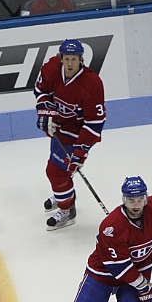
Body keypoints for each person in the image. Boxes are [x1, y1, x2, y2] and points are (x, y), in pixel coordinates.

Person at [34, 39, 107, 231]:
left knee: (55, 171)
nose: (69, 63)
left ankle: (67, 210)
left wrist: (81, 151)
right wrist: (46, 114)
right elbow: (40, 90)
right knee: (60, 167)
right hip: (59, 126)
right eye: (66, 59)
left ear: (81, 60)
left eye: (74, 59)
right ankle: (64, 193)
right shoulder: (51, 68)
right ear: (61, 58)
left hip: (78, 132)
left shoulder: (92, 83)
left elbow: (95, 122)